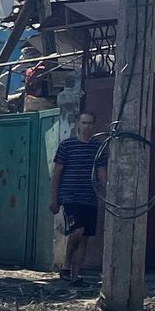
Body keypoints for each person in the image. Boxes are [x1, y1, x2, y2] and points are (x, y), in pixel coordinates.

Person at [50, 111, 104, 281]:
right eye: (84, 123)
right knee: (77, 230)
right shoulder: (67, 146)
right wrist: (54, 198)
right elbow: (57, 173)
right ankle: (66, 264)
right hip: (70, 196)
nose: (87, 126)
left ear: (94, 125)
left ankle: (75, 275)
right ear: (78, 124)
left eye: (90, 123)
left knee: (85, 237)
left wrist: (107, 192)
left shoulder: (98, 148)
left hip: (90, 197)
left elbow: (102, 173)